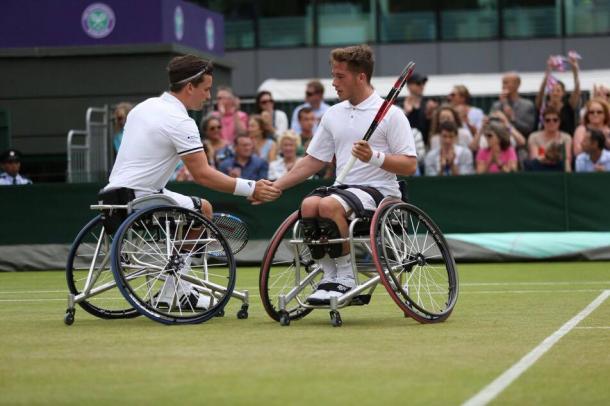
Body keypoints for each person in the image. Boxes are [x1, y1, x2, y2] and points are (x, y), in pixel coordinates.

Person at [102, 55, 280, 308]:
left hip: (111, 196)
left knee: (190, 208)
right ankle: (180, 290)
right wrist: (250, 188)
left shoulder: (142, 108)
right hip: (142, 199)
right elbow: (202, 174)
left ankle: (172, 291)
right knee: (203, 209)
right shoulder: (180, 121)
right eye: (206, 89)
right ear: (189, 88)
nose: (208, 96)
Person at [269, 45, 417, 303]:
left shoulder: (392, 115)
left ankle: (346, 279)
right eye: (333, 75)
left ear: (361, 77)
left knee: (327, 205)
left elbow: (409, 165)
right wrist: (277, 186)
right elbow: (313, 160)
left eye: (340, 76)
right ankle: (329, 277)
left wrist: (374, 156)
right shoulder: (333, 114)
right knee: (309, 204)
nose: (333, 83)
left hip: (381, 194)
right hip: (344, 191)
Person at [536, 55, 581, 136]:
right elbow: (541, 91)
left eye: (558, 90)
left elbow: (577, 90)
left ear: (563, 93)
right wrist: (548, 70)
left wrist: (575, 71)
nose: (555, 93)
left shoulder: (569, 105)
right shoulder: (543, 105)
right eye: (552, 90)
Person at [489, 72, 536, 136]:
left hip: (520, 142)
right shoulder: (497, 105)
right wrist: (503, 103)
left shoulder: (527, 105)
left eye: (506, 83)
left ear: (517, 84)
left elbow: (528, 129)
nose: (503, 86)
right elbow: (492, 126)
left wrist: (513, 119)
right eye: (502, 83)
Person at [526, 107, 572, 172]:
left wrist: (546, 154)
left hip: (559, 168)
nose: (551, 122)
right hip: (540, 168)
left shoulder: (566, 138)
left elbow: (567, 158)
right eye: (548, 120)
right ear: (543, 122)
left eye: (555, 120)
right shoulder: (534, 137)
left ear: (559, 121)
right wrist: (551, 155)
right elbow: (534, 158)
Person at [402, 72, 431, 143]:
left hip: (425, 146)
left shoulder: (428, 105)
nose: (422, 86)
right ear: (409, 86)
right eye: (418, 83)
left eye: (423, 83)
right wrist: (406, 112)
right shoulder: (400, 106)